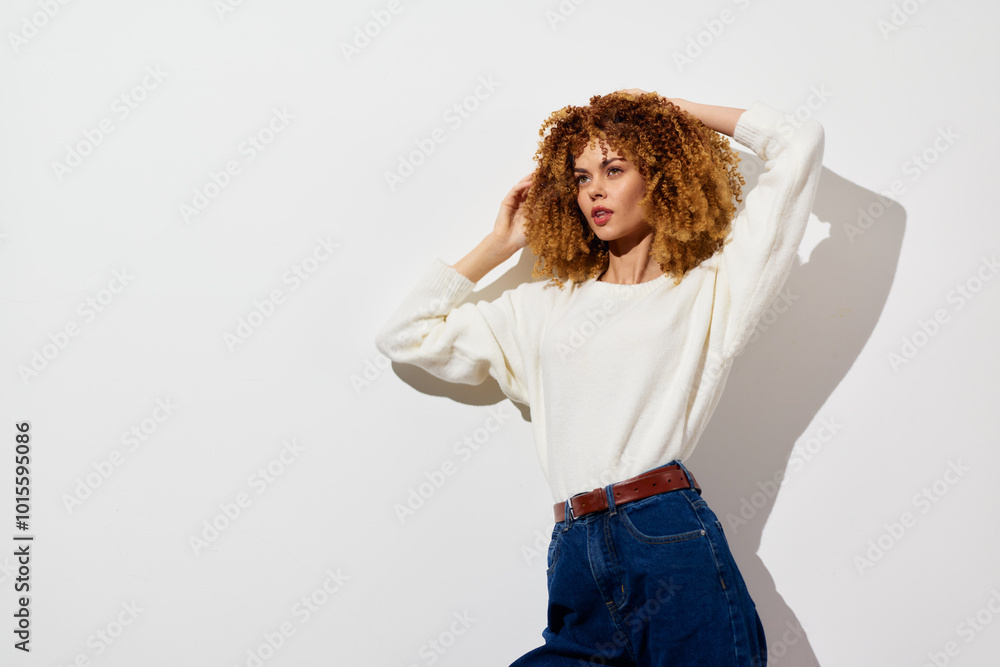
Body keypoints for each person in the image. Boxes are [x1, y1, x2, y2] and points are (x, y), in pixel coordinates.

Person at [374, 88, 824, 666]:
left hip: (665, 535)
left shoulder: (712, 289)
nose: (595, 190)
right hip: (575, 551)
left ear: (660, 176)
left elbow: (796, 140)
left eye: (615, 169)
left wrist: (665, 114)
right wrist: (499, 244)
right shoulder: (543, 309)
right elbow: (405, 335)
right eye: (583, 176)